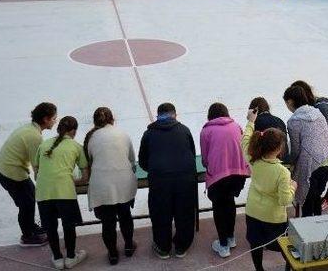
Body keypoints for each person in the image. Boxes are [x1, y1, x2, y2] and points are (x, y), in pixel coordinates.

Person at [138, 103, 196, 259]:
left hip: (160, 181)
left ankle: (163, 247)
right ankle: (181, 247)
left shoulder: (148, 134)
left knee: (160, 213)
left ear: (158, 116)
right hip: (185, 180)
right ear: (175, 115)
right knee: (184, 213)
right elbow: (192, 154)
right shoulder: (184, 130)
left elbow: (143, 161)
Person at [242, 108, 296, 271]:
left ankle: (259, 269)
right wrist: (293, 187)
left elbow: (244, 140)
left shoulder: (253, 159)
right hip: (274, 218)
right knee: (287, 246)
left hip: (252, 212)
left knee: (256, 243)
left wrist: (251, 121)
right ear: (279, 149)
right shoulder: (282, 172)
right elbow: (285, 200)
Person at [0, 103, 57, 247]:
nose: (56, 121)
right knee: (26, 204)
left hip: (8, 169)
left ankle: (30, 227)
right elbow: (38, 167)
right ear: (45, 119)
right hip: (12, 174)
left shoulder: (29, 129)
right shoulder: (34, 137)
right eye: (54, 118)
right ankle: (27, 236)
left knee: (30, 196)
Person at [33, 116, 89, 269]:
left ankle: (57, 258)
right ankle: (71, 257)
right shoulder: (76, 146)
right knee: (68, 225)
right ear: (74, 131)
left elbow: (36, 173)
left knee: (50, 227)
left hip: (44, 192)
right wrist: (71, 180)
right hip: (64, 191)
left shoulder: (44, 145)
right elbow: (85, 177)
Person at [83, 107, 137, 265]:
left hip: (102, 186)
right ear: (113, 119)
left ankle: (113, 254)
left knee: (107, 222)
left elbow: (89, 163)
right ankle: (128, 246)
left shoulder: (91, 138)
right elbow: (132, 161)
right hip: (123, 183)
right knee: (125, 215)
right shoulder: (123, 134)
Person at [290, 81, 328, 210]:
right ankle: (317, 199)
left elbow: (321, 135)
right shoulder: (310, 107)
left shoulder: (320, 109)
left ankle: (326, 198)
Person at [200, 103, 250, 258]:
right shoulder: (236, 126)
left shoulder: (206, 131)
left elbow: (204, 159)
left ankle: (223, 245)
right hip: (237, 175)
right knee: (229, 203)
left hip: (218, 177)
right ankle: (231, 237)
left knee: (219, 208)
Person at [283, 85, 328, 217]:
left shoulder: (293, 121)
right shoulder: (317, 112)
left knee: (307, 201)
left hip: (312, 164)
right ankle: (318, 225)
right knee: (316, 197)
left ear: (290, 102)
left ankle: (308, 232)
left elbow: (296, 151)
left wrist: (287, 162)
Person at [249, 97, 290, 163]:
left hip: (268, 160)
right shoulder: (280, 121)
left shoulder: (256, 122)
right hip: (284, 159)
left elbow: (252, 146)